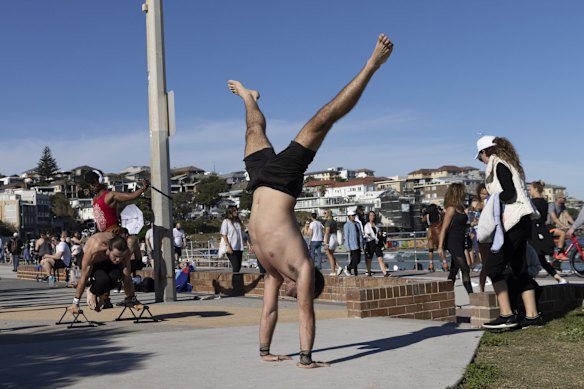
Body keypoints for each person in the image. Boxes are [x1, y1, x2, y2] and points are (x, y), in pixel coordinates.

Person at [228, 33, 393, 367]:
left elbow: (269, 309)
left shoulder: (274, 273)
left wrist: (265, 352)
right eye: (298, 292)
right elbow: (307, 313)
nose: (292, 295)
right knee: (323, 117)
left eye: (293, 292)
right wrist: (307, 358)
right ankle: (371, 65)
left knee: (252, 132)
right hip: (284, 180)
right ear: (306, 284)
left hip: (260, 182)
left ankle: (249, 98)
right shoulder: (302, 267)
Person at [475, 135, 542, 329]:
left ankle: (507, 315)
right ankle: (532, 316)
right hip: (523, 220)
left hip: (513, 221)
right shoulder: (511, 163)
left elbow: (509, 193)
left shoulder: (498, 163)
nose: (482, 161)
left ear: (485, 151)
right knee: (519, 267)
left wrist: (491, 200)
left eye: (480, 157)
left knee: (493, 266)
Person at [68, 232, 141, 314]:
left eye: (121, 257)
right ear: (108, 249)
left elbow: (127, 277)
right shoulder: (95, 250)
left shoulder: (125, 252)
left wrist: (132, 298)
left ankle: (99, 293)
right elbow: (84, 277)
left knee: (116, 276)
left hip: (106, 260)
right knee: (103, 279)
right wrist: (75, 303)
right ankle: (91, 291)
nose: (118, 260)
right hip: (88, 258)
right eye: (116, 256)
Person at [84, 169, 149, 234]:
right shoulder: (95, 199)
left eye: (93, 182)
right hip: (101, 233)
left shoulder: (110, 195)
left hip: (113, 232)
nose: (92, 186)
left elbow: (132, 196)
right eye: (90, 184)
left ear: (100, 180)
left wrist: (143, 188)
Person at [438, 183, 474, 295]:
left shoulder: (461, 208)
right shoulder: (451, 209)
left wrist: (471, 225)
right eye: (463, 192)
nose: (465, 194)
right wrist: (440, 247)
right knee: (465, 268)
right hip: (453, 242)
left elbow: (461, 225)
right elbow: (444, 228)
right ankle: (472, 296)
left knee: (453, 271)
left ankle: (445, 296)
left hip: (461, 241)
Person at [528, 180, 567, 284]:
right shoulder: (545, 202)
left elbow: (530, 217)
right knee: (541, 260)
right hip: (542, 231)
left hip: (533, 233)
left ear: (536, 189)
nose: (529, 191)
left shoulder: (533, 202)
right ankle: (558, 277)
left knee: (528, 257)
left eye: (530, 189)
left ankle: (528, 282)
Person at [363, 210, 391, 277]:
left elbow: (378, 234)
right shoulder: (366, 225)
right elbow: (366, 234)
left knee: (380, 258)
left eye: (373, 215)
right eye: (371, 215)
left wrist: (380, 234)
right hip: (370, 243)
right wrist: (369, 235)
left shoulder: (376, 225)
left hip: (377, 243)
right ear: (368, 217)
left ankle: (385, 273)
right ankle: (368, 272)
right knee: (369, 259)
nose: (372, 217)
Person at [548, 194, 573, 261]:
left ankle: (556, 262)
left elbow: (568, 216)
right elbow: (554, 218)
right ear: (557, 198)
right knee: (562, 233)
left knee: (563, 242)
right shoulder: (551, 205)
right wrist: (564, 226)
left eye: (565, 197)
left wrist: (575, 225)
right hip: (546, 227)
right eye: (562, 197)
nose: (564, 199)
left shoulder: (563, 206)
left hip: (552, 227)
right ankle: (559, 254)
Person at [220, 205, 245, 272]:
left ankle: (236, 281)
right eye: (234, 210)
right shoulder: (226, 221)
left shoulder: (238, 222)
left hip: (239, 247)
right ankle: (235, 281)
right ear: (230, 212)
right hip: (231, 247)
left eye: (236, 210)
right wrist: (228, 246)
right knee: (236, 266)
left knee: (238, 267)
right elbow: (224, 234)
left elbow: (243, 234)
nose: (236, 212)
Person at [425, 203, 447, 272]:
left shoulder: (427, 215)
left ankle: (431, 265)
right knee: (440, 248)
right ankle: (445, 264)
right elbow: (444, 216)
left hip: (430, 230)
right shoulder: (439, 214)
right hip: (438, 229)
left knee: (430, 249)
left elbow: (422, 220)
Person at [343, 210, 364, 276]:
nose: (354, 217)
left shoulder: (357, 224)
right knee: (355, 260)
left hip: (358, 244)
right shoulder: (347, 225)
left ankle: (349, 268)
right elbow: (346, 236)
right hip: (352, 245)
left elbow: (360, 234)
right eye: (352, 216)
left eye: (354, 215)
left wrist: (362, 244)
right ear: (349, 217)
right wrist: (347, 246)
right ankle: (353, 272)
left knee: (358, 260)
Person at [323, 210, 343, 276]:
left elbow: (327, 233)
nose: (324, 214)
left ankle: (333, 271)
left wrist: (326, 243)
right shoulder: (334, 222)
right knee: (331, 254)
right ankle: (338, 267)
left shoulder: (328, 222)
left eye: (325, 213)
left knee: (329, 255)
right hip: (335, 237)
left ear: (329, 214)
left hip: (330, 238)